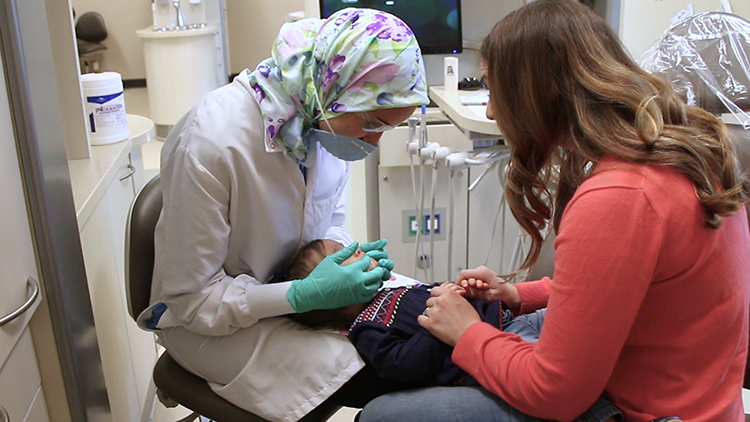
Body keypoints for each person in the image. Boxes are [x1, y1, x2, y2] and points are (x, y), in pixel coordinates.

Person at [359, 1, 750, 422]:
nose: (491, 111)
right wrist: (518, 295)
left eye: (495, 90)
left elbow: (555, 393)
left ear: (539, 90)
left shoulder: (620, 196)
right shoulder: (681, 152)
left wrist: (468, 334)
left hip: (641, 412)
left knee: (384, 414)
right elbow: (633, 287)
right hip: (703, 398)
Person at [135, 8, 429, 422]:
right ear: (334, 88)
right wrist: (298, 296)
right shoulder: (214, 140)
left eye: (387, 128)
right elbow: (191, 301)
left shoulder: (320, 117)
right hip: (210, 323)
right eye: (371, 123)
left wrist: (347, 257)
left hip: (293, 299)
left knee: (423, 320)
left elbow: (327, 225)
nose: (374, 141)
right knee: (397, 366)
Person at [283, 239, 546, 387]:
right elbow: (406, 366)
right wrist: (434, 325)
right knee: (561, 367)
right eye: (342, 255)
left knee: (576, 323)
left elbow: (437, 296)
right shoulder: (366, 328)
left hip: (513, 319)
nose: (356, 249)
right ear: (329, 294)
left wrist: (464, 291)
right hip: (500, 350)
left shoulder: (391, 290)